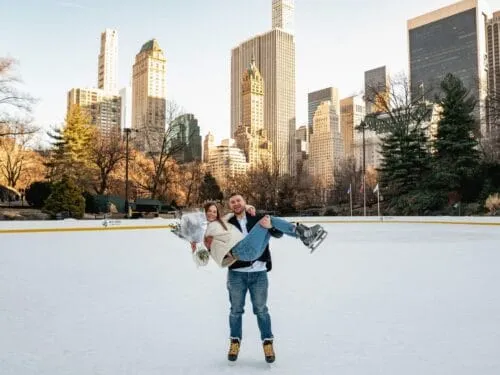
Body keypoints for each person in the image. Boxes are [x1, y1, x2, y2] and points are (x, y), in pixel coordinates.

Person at [199, 197, 326, 363]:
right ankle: (234, 342)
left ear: (244, 203)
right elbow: (202, 251)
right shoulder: (221, 223)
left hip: (258, 272)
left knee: (261, 310)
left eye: (238, 201)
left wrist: (269, 225)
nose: (235, 203)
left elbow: (276, 233)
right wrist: (200, 246)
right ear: (229, 206)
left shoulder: (251, 216)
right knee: (236, 310)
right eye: (232, 202)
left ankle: (267, 343)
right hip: (237, 270)